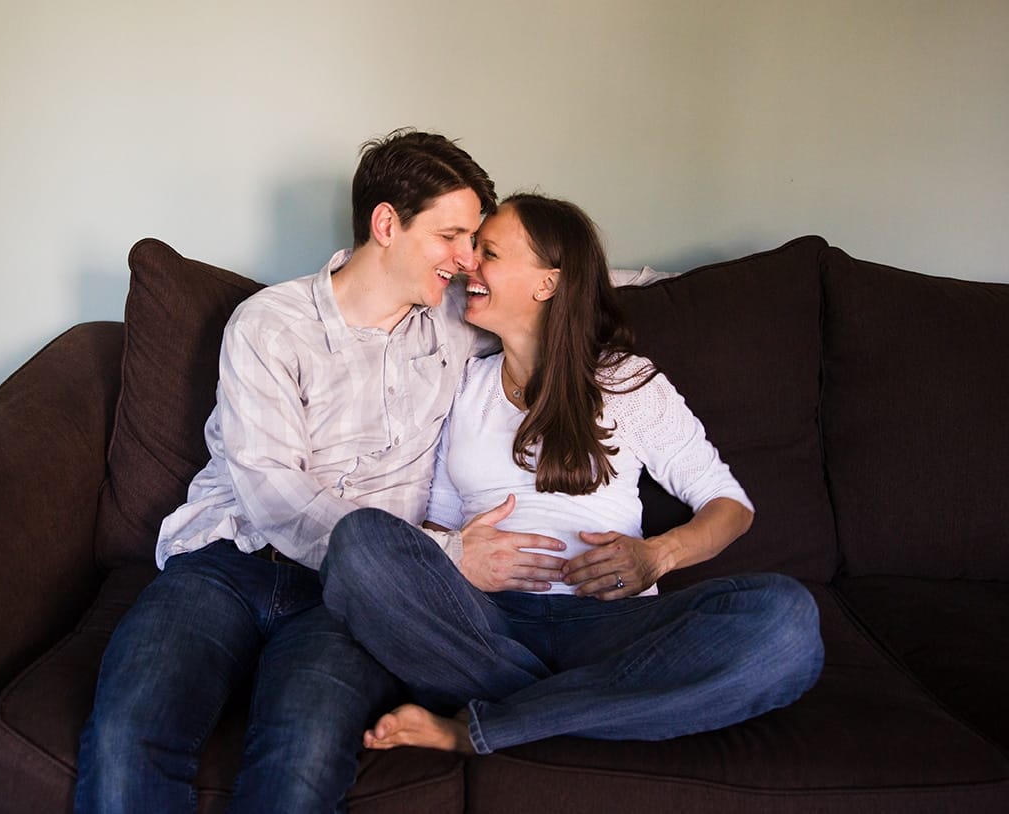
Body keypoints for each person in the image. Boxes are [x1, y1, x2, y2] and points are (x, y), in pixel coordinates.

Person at [74, 129, 506, 814]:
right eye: (450, 235)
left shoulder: (457, 320)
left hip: (347, 599)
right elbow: (275, 495)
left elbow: (576, 290)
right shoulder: (269, 324)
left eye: (474, 240)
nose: (467, 259)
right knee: (128, 732)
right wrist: (445, 553)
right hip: (226, 558)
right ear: (386, 223)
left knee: (300, 759)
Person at [321, 193, 825, 756]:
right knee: (358, 542)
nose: (468, 263)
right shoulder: (463, 384)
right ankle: (566, 708)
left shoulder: (625, 383)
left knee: (786, 621)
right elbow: (431, 523)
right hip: (485, 626)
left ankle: (486, 725)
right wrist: (460, 548)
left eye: (488, 252)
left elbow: (728, 504)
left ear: (548, 283)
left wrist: (656, 555)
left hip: (610, 627)